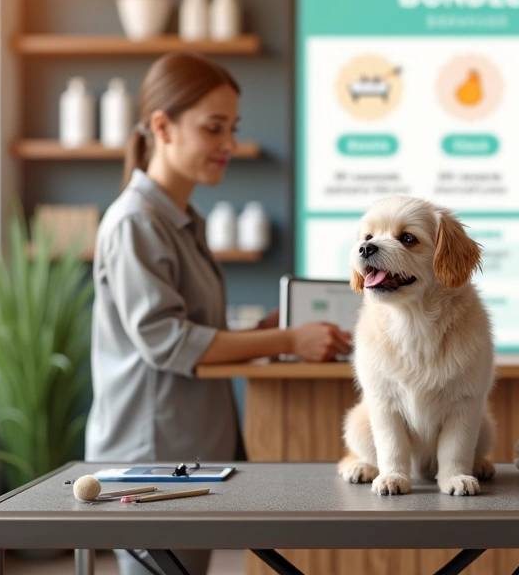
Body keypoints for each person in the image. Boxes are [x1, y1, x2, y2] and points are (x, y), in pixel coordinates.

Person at [85, 52, 351, 575]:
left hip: (187, 452)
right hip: (151, 458)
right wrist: (286, 342)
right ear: (162, 126)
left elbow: (193, 335)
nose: (228, 145)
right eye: (213, 128)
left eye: (232, 128)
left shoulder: (182, 220)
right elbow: (167, 341)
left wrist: (261, 333)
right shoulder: (136, 222)